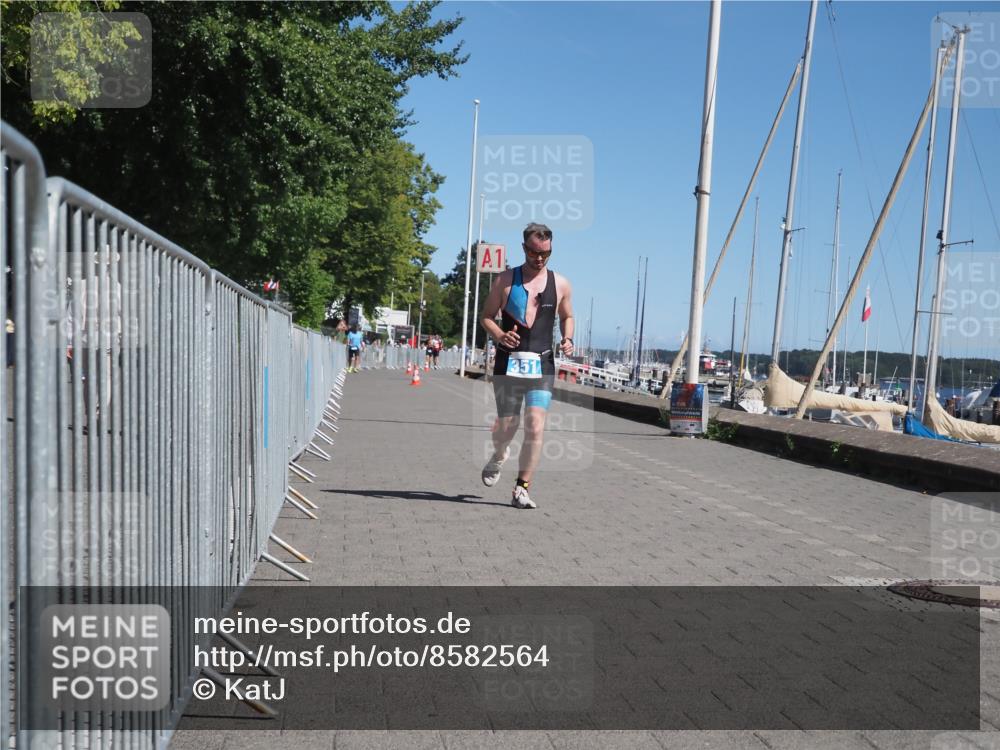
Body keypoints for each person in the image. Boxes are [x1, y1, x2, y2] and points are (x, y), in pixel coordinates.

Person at [479, 222, 574, 509]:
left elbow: (568, 316)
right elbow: (486, 316)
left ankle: (522, 488)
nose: (540, 258)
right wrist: (499, 334)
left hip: (542, 363)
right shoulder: (505, 281)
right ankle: (499, 454)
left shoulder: (560, 284)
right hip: (509, 363)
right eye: (534, 252)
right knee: (507, 427)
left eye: (546, 253)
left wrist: (567, 338)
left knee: (535, 426)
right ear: (524, 248)